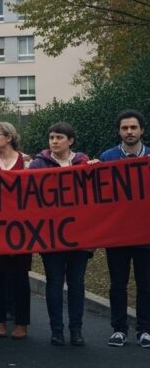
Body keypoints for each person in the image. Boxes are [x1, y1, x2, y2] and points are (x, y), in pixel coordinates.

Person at [30, 122, 94, 346]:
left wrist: (97, 169)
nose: (54, 141)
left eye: (59, 137)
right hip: (51, 235)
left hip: (80, 235)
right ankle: (56, 330)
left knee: (76, 283)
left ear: (70, 141)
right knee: (55, 283)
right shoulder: (38, 165)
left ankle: (76, 330)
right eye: (51, 138)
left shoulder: (84, 163)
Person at [99, 110, 150, 348]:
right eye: (124, 128)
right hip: (117, 234)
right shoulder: (107, 158)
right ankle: (119, 329)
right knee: (118, 284)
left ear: (142, 130)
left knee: (146, 284)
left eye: (133, 127)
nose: (129, 132)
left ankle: (145, 330)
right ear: (119, 131)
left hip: (146, 234)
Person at [0, 121, 32, 340]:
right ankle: (0, 320)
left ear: (9, 137)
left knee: (20, 277)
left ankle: (22, 322)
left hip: (21, 227)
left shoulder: (27, 162)